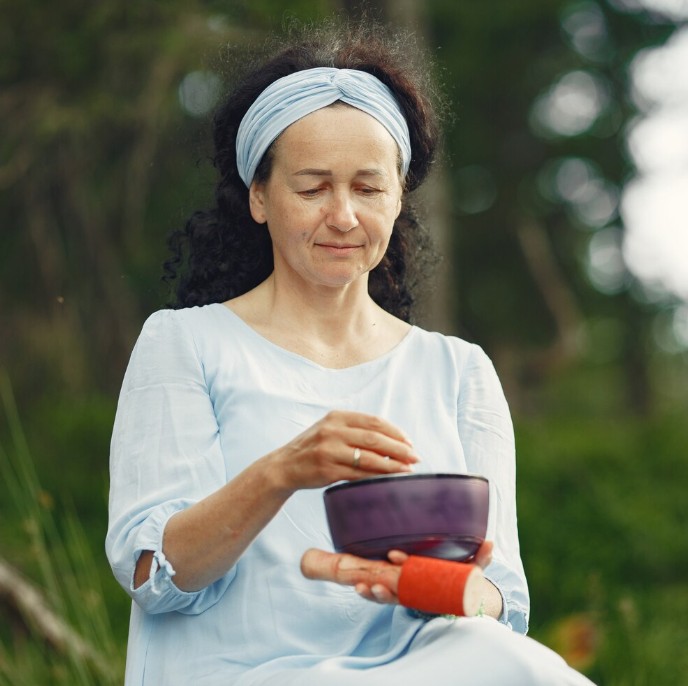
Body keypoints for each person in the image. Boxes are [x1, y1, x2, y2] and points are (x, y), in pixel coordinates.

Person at [106, 20, 595, 686]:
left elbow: (500, 600)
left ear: (398, 197)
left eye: (368, 188)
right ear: (258, 197)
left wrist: (425, 584)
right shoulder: (185, 343)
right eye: (312, 188)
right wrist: (280, 472)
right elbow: (153, 576)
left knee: (528, 669)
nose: (342, 216)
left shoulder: (457, 373)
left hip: (418, 668)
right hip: (246, 675)